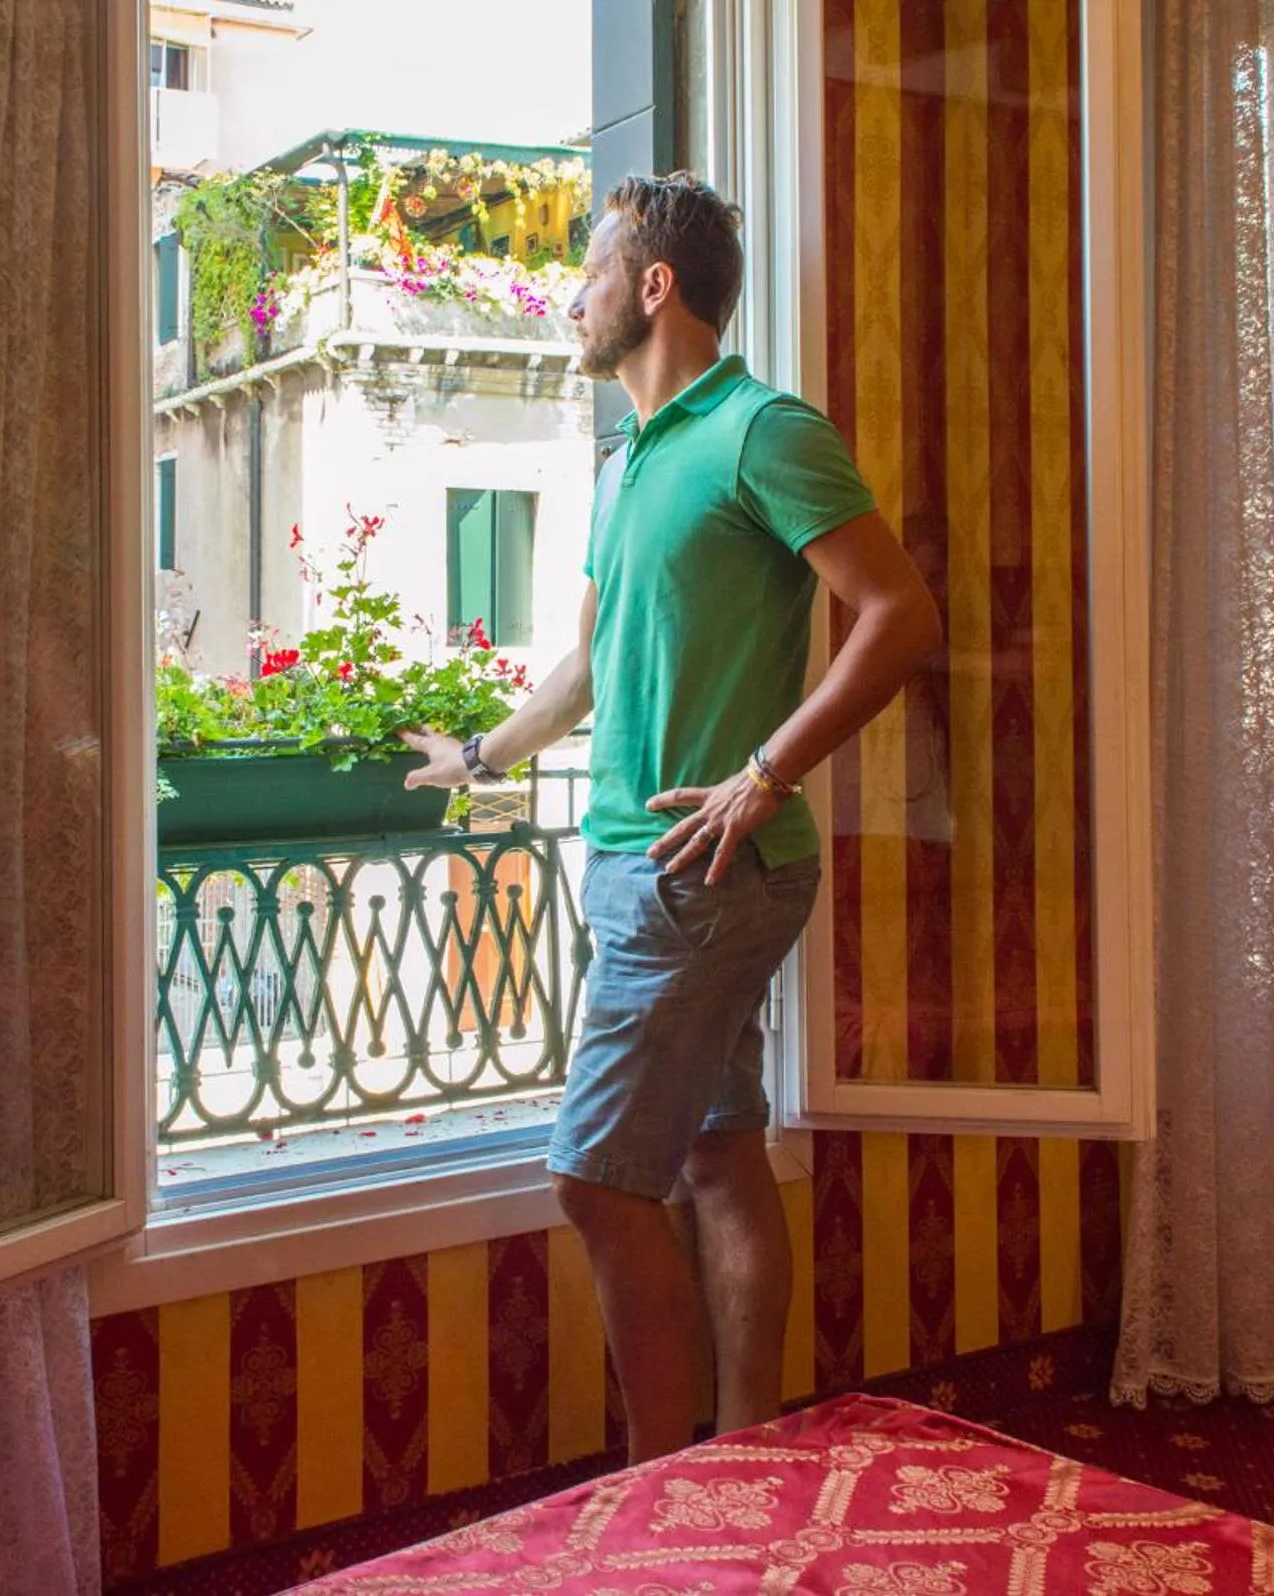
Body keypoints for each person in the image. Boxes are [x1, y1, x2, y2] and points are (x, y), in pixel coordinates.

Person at [401, 172, 942, 1464]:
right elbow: (588, 670)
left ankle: (665, 1486)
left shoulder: (760, 431)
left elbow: (900, 615)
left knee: (593, 1179)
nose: (568, 301)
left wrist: (767, 770)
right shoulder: (621, 462)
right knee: (715, 1153)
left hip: (704, 868)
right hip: (640, 869)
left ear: (653, 287)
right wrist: (479, 752)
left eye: (588, 275)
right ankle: (744, 1458)